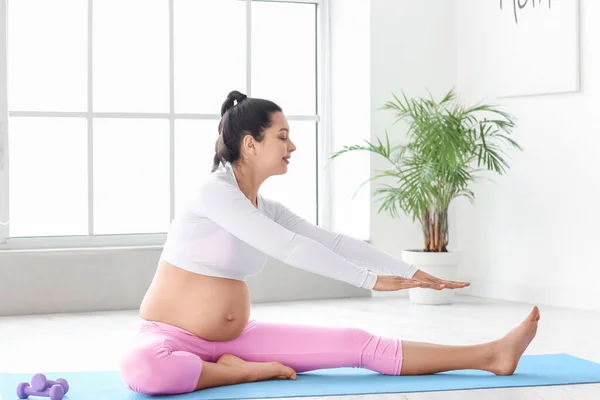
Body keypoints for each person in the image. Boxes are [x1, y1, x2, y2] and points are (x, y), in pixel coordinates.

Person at [119, 90, 541, 396]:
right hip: (169, 338)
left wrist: (408, 271)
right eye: (282, 136)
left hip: (237, 339)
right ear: (250, 144)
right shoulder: (212, 194)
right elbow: (290, 249)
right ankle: (241, 373)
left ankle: (490, 355)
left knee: (357, 343)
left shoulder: (263, 206)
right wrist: (370, 281)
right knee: (143, 368)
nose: (292, 145)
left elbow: (330, 241)